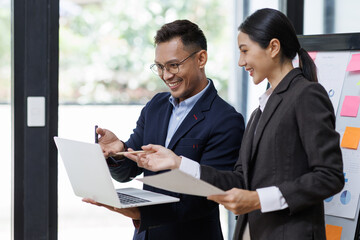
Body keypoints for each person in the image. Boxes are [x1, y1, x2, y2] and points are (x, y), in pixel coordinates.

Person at [130, 8, 345, 240]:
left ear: (273, 47)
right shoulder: (259, 111)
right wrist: (178, 163)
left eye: (245, 51)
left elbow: (329, 176)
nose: (241, 62)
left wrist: (258, 199)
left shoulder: (306, 94)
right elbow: (239, 180)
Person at [84, 19, 245, 240]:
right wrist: (118, 149)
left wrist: (137, 211)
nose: (166, 75)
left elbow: (210, 195)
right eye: (159, 67)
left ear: (201, 58)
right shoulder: (156, 106)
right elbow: (129, 171)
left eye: (173, 65)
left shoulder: (226, 120)